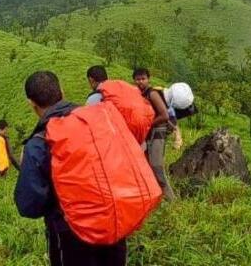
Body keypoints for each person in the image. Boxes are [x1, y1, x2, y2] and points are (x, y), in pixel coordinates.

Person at [15, 70, 128, 266]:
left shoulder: (39, 143)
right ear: (62, 91)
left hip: (70, 234)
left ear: (31, 103)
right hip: (113, 221)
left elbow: (29, 205)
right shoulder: (98, 120)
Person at [132, 67, 177, 201]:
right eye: (138, 79)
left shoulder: (152, 94)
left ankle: (171, 200)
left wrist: (147, 124)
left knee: (157, 166)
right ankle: (156, 197)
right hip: (149, 134)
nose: (141, 82)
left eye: (143, 79)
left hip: (158, 132)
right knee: (147, 165)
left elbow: (164, 115)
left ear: (148, 79)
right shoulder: (140, 94)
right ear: (134, 80)